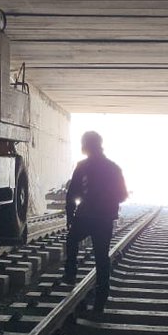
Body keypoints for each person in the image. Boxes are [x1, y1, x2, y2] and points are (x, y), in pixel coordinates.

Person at [63, 131, 128, 312]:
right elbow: (122, 195)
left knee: (72, 240)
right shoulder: (113, 168)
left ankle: (70, 274)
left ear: (85, 146)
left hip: (85, 216)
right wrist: (108, 201)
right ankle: (100, 301)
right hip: (104, 219)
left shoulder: (82, 166)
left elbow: (72, 194)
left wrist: (70, 216)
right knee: (102, 258)